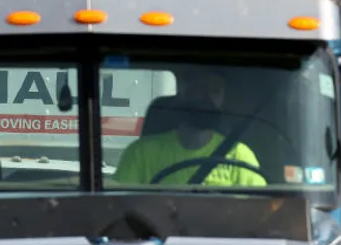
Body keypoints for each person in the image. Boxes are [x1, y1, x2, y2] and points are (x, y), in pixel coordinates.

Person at [113, 70, 267, 187]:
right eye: (198, 88)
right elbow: (119, 211)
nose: (205, 98)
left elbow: (260, 216)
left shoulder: (239, 156)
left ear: (223, 98)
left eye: (214, 89)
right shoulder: (141, 153)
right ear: (182, 96)